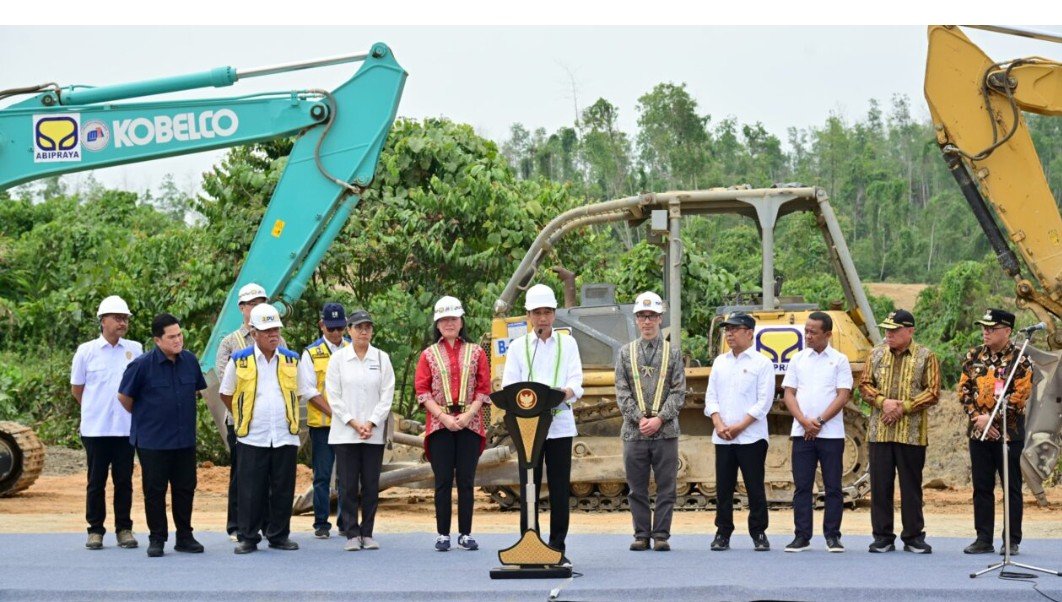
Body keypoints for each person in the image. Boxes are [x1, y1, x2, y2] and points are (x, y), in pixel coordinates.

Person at [219, 303, 316, 554]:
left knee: (283, 488)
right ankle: (248, 537)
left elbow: (307, 391)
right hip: (253, 435)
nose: (274, 334)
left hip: (285, 435)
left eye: (276, 329)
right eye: (268, 330)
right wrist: (244, 416)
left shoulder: (291, 360)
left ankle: (278, 535)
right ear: (254, 334)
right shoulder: (239, 361)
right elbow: (226, 393)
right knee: (251, 489)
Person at [501, 284, 584, 564]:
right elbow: (509, 386)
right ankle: (529, 542)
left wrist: (564, 393)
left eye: (547, 312)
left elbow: (576, 381)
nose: (543, 318)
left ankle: (557, 546)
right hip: (528, 430)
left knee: (560, 488)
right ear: (529, 315)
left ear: (555, 314)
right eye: (537, 313)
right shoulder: (518, 347)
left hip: (559, 427)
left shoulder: (568, 343)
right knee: (529, 486)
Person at [117, 313, 207, 557]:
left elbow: (196, 391)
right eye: (172, 337)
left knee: (185, 488)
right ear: (158, 340)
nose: (178, 340)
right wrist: (148, 418)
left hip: (184, 439)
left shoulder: (189, 361)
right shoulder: (141, 365)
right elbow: (124, 398)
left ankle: (185, 536)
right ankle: (157, 538)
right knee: (155, 491)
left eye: (179, 335)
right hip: (153, 441)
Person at [858, 309, 940, 554]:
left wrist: (902, 407)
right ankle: (882, 537)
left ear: (910, 331)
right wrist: (882, 402)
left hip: (912, 434)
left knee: (911, 486)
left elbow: (933, 391)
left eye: (895, 330)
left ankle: (913, 536)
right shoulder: (876, 354)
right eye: (887, 330)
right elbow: (864, 384)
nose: (889, 334)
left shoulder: (926, 356)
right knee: (880, 485)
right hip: (880, 433)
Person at [415, 296, 492, 552]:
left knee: (467, 480)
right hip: (440, 425)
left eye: (453, 318)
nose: (449, 323)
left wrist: (469, 415)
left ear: (461, 322)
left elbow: (484, 388)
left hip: (469, 422)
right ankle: (443, 534)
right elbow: (422, 391)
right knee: (443, 480)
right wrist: (444, 417)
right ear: (437, 324)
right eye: (444, 319)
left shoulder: (477, 352)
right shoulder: (428, 354)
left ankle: (466, 533)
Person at [70, 295, 143, 551]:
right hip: (96, 428)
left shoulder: (135, 349)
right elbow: (77, 389)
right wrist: (94, 409)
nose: (122, 323)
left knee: (124, 480)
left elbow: (139, 388)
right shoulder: (86, 351)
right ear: (103, 320)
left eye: (125, 319)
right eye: (117, 318)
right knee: (96, 480)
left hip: (125, 427)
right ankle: (95, 530)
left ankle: (124, 528)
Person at [614, 291, 685, 552]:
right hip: (634, 432)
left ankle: (662, 535)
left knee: (667, 487)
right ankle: (641, 534)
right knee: (636, 488)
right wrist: (640, 419)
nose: (647, 321)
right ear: (636, 320)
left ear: (660, 318)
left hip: (666, 432)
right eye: (642, 316)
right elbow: (621, 392)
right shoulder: (624, 353)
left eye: (652, 316)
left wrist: (659, 419)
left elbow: (679, 392)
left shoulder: (673, 353)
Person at [215, 283, 286, 542]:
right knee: (242, 475)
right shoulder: (229, 343)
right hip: (241, 422)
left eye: (261, 302)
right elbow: (226, 386)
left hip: (272, 423)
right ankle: (237, 525)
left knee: (270, 476)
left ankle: (268, 525)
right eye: (252, 303)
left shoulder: (278, 339)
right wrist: (245, 415)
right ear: (242, 308)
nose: (257, 307)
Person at [958, 308, 1032, 556]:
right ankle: (983, 538)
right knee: (982, 486)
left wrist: (994, 421)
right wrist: (978, 418)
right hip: (979, 433)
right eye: (984, 328)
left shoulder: (1020, 359)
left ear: (1007, 331)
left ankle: (1011, 540)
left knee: (1010, 487)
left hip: (1008, 435)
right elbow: (964, 390)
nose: (986, 332)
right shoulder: (974, 355)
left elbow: (1019, 396)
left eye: (992, 329)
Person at [781, 312, 853, 553]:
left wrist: (819, 421)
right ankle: (802, 536)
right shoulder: (798, 359)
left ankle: (832, 536)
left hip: (830, 434)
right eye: (806, 331)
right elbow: (788, 393)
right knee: (802, 486)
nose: (808, 336)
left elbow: (842, 395)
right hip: (802, 433)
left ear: (828, 334)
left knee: (832, 486)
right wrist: (804, 421)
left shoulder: (840, 360)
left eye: (813, 332)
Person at [325, 310, 395, 552]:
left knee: (370, 485)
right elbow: (333, 396)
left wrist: (372, 422)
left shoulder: (382, 358)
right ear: (349, 330)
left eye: (367, 327)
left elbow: (387, 395)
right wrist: (354, 422)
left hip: (373, 434)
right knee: (347, 485)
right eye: (358, 327)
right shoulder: (338, 359)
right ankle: (352, 533)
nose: (363, 331)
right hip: (345, 433)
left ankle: (368, 532)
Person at [705, 311, 774, 552]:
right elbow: (711, 396)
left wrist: (739, 426)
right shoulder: (720, 362)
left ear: (749, 333)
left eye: (734, 329)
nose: (729, 334)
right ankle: (723, 532)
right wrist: (718, 423)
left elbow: (764, 402)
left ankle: (759, 532)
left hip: (751, 437)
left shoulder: (762, 363)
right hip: (723, 437)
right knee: (723, 488)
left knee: (754, 487)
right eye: (727, 329)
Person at [298, 302, 350, 539]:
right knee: (322, 474)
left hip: (349, 425)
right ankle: (321, 523)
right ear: (322, 326)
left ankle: (345, 521)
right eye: (332, 329)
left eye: (340, 328)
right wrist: (335, 413)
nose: (337, 333)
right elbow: (308, 390)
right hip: (323, 425)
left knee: (347, 475)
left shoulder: (353, 349)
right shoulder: (310, 353)